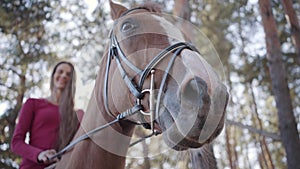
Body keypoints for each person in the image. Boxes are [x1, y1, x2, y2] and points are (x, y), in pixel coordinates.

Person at [11, 61, 84, 169]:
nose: (63, 75)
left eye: (68, 74)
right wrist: (39, 154)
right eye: (60, 72)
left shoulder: (78, 115)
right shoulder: (33, 104)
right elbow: (16, 143)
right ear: (53, 76)